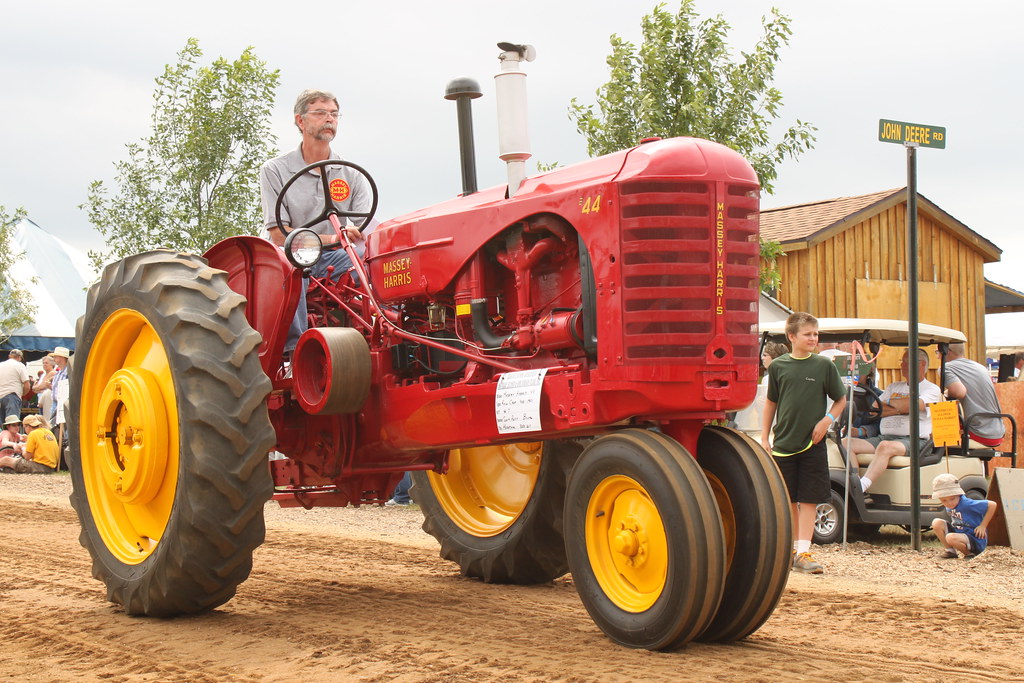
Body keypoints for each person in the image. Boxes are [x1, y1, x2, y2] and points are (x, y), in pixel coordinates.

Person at [259, 88, 377, 352]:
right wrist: (332, 237)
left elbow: (360, 227)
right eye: (320, 113)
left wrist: (349, 235)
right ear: (300, 121)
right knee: (290, 264)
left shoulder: (350, 173)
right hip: (297, 254)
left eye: (334, 114)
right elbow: (278, 234)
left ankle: (392, 333)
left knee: (377, 263)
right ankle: (293, 351)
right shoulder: (275, 170)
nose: (329, 119)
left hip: (338, 256)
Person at [762, 312, 847, 574]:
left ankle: (804, 551)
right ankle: (789, 552)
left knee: (809, 499)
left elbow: (840, 400)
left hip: (813, 443)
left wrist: (826, 421)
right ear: (792, 337)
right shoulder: (778, 367)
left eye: (816, 334)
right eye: (808, 334)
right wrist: (765, 437)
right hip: (783, 443)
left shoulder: (823, 365)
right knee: (787, 500)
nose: (814, 338)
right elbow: (771, 402)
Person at [847, 349, 942, 498]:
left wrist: (895, 406)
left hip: (914, 440)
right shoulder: (894, 387)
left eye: (906, 361)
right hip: (885, 437)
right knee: (847, 443)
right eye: (902, 361)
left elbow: (915, 405)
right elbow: (875, 410)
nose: (902, 365)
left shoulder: (932, 389)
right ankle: (853, 481)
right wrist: (901, 409)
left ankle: (862, 487)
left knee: (885, 447)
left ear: (922, 364)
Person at [942, 342, 1005, 447]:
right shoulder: (981, 367)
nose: (938, 357)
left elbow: (959, 392)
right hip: (998, 431)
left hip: (978, 432)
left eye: (938, 352)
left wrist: (945, 394)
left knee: (937, 439)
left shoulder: (946, 367)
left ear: (948, 352)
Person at [930, 473, 996, 559]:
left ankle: (969, 554)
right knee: (936, 522)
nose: (949, 503)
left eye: (952, 499)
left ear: (958, 494)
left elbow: (992, 504)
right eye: (944, 500)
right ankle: (950, 551)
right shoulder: (950, 506)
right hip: (959, 534)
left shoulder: (967, 504)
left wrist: (983, 526)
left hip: (974, 538)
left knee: (950, 537)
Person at [0, 349, 30, 420]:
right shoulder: (20, 365)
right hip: (12, 396)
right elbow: (27, 385)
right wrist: (21, 394)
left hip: (1, 395)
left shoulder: (0, 365)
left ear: (9, 356)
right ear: (19, 358)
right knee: (12, 422)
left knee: (1, 426)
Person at [50, 346, 71, 448]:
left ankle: (63, 445)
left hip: (62, 402)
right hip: (56, 402)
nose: (54, 359)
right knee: (54, 425)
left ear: (62, 358)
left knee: (63, 424)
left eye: (56, 357)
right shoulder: (58, 372)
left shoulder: (68, 372)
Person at [33, 354, 56, 421]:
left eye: (46, 363)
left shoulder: (52, 373)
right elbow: (34, 389)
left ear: (52, 364)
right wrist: (39, 388)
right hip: (40, 401)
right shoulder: (43, 375)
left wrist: (38, 387)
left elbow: (42, 385)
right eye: (43, 363)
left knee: (46, 420)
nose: (44, 364)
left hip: (47, 401)